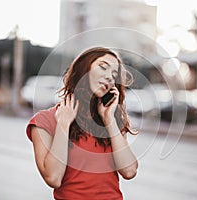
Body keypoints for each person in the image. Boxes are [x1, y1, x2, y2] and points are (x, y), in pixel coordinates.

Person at [26, 47, 138, 200]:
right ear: (83, 69)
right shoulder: (44, 120)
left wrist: (110, 121)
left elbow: (129, 171)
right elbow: (53, 178)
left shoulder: (111, 121)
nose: (109, 77)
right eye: (103, 67)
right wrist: (63, 124)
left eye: (114, 74)